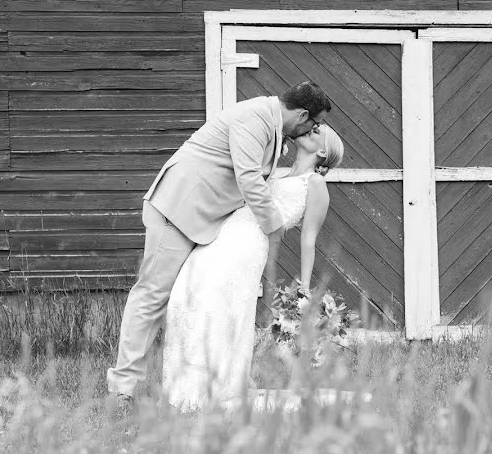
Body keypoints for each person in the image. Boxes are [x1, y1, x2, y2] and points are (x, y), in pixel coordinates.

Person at [107, 82, 332, 413]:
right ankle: (122, 390)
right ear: (300, 114)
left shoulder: (272, 127)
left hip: (204, 218)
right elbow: (249, 180)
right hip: (177, 208)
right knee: (152, 295)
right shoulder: (253, 118)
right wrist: (274, 229)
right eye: (313, 125)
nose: (313, 131)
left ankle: (217, 378)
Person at [161, 124, 344, 411]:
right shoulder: (281, 173)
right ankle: (189, 385)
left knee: (220, 305)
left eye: (316, 132)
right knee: (188, 295)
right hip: (225, 233)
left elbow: (309, 239)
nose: (309, 130)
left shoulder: (315, 184)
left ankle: (211, 388)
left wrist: (305, 290)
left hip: (247, 244)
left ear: (322, 150)